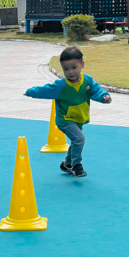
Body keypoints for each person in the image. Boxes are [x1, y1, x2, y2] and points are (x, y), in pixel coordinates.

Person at [24, 46, 111, 178]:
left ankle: (67, 164)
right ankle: (76, 166)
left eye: (74, 67)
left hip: (79, 118)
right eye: (66, 69)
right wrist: (30, 92)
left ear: (82, 64)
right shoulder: (61, 85)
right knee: (79, 139)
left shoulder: (87, 80)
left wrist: (104, 97)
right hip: (65, 120)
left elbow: (96, 91)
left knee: (76, 141)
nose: (70, 72)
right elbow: (45, 90)